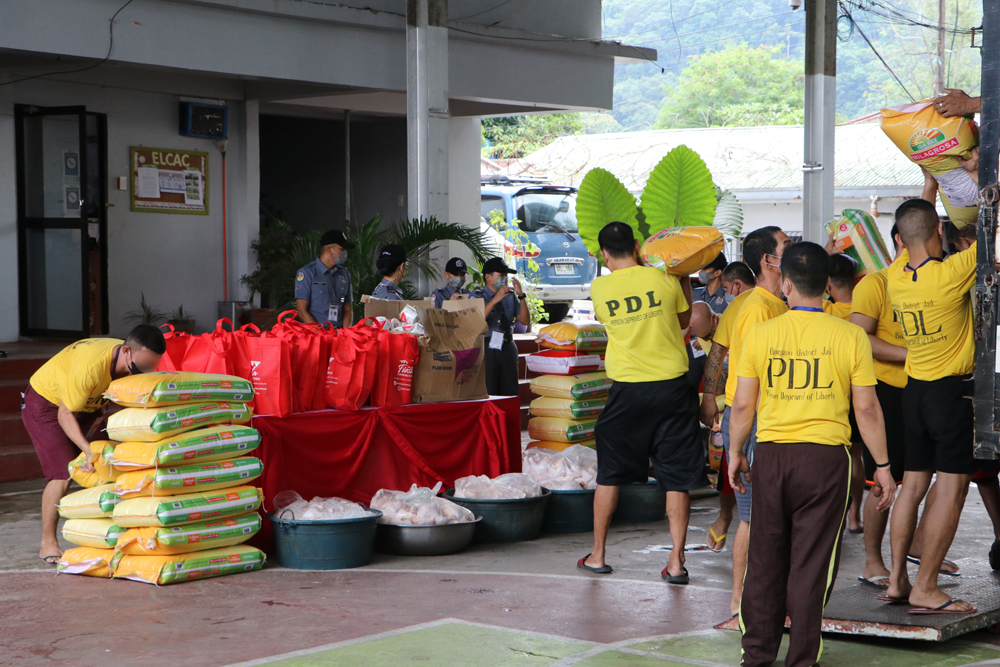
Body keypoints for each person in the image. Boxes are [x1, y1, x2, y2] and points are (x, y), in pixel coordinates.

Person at [730, 242, 895, 667]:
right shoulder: (850, 336)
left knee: (764, 562)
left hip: (771, 457)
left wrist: (734, 451)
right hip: (826, 462)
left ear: (785, 283)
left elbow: (744, 405)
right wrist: (883, 466)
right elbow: (866, 408)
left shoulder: (761, 334)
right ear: (826, 285)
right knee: (812, 565)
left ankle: (757, 657)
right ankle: (802, 660)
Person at [580, 221, 706, 584]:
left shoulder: (600, 288)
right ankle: (677, 562)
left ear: (604, 254)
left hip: (628, 391)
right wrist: (680, 277)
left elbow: (612, 325)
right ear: (636, 246)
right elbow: (686, 322)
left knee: (610, 474)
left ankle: (598, 555)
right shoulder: (665, 279)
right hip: (673, 389)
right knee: (677, 478)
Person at [883, 197, 977, 614]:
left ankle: (897, 579)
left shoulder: (893, 279)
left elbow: (912, 236)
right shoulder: (952, 272)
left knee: (912, 486)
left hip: (914, 392)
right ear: (940, 230)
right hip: (949, 394)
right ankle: (926, 587)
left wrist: (930, 185)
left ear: (901, 240)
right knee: (952, 487)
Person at [23, 325, 166, 564]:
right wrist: (86, 449)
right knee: (63, 472)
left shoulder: (129, 363)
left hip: (87, 403)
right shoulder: (90, 367)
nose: (147, 370)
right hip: (48, 405)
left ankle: (103, 537)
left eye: (153, 365)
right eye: (144, 365)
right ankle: (47, 542)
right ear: (127, 351)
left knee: (106, 462)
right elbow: (65, 414)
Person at [716, 226, 794, 614]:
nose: (792, 252)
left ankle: (760, 599)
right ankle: (737, 603)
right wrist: (738, 442)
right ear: (768, 261)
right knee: (750, 518)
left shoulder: (775, 303)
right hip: (753, 420)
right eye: (787, 247)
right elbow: (749, 385)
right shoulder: (758, 308)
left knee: (766, 515)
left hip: (767, 418)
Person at [824, 253, 866, 534]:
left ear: (827, 284)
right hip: (860, 391)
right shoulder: (865, 311)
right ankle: (854, 516)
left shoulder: (825, 312)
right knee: (857, 457)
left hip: (833, 394)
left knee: (835, 457)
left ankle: (834, 515)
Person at [472, 257, 529, 396]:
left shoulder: (510, 296)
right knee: (489, 389)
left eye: (506, 276)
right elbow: (476, 320)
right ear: (488, 277)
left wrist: (521, 296)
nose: (505, 279)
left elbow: (525, 320)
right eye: (501, 275)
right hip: (488, 346)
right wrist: (495, 299)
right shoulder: (477, 295)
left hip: (508, 346)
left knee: (510, 391)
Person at [295, 229, 355, 327]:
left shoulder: (344, 274)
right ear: (329, 250)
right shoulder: (307, 273)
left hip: (339, 334)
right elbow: (302, 311)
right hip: (316, 335)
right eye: (342, 249)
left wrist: (345, 334)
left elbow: (348, 310)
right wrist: (320, 334)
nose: (345, 252)